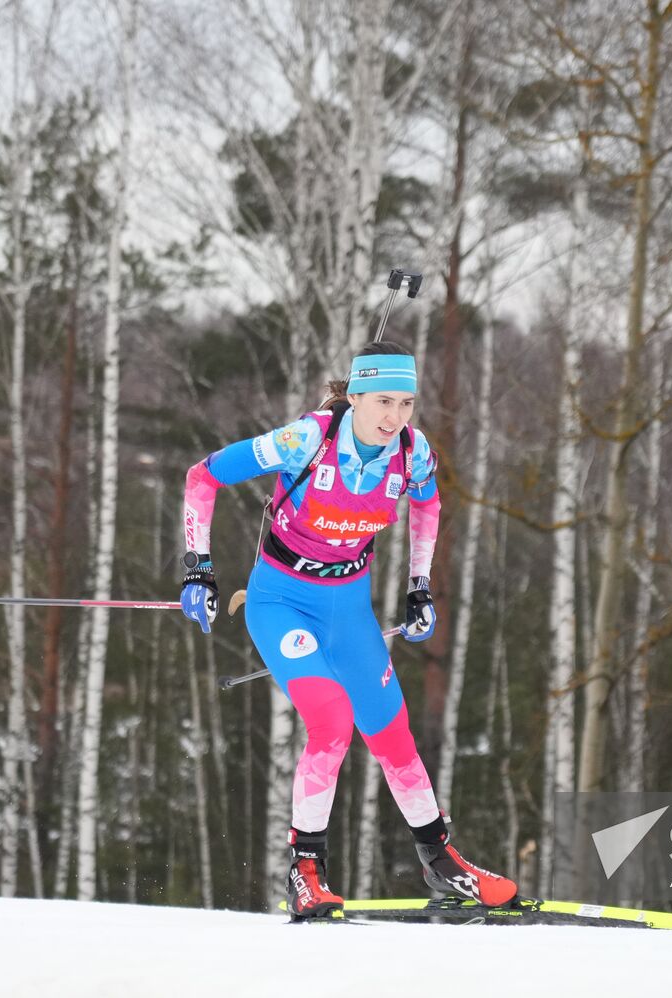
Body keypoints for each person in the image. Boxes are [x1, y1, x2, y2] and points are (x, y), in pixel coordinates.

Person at [179, 341, 518, 920]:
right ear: (355, 395)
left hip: (349, 610)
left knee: (394, 734)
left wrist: (418, 585)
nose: (395, 417)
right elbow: (202, 477)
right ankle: (306, 873)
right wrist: (199, 569)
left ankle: (443, 865)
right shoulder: (304, 440)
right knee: (331, 719)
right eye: (383, 400)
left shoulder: (411, 452)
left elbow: (428, 508)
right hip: (281, 602)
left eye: (407, 403)